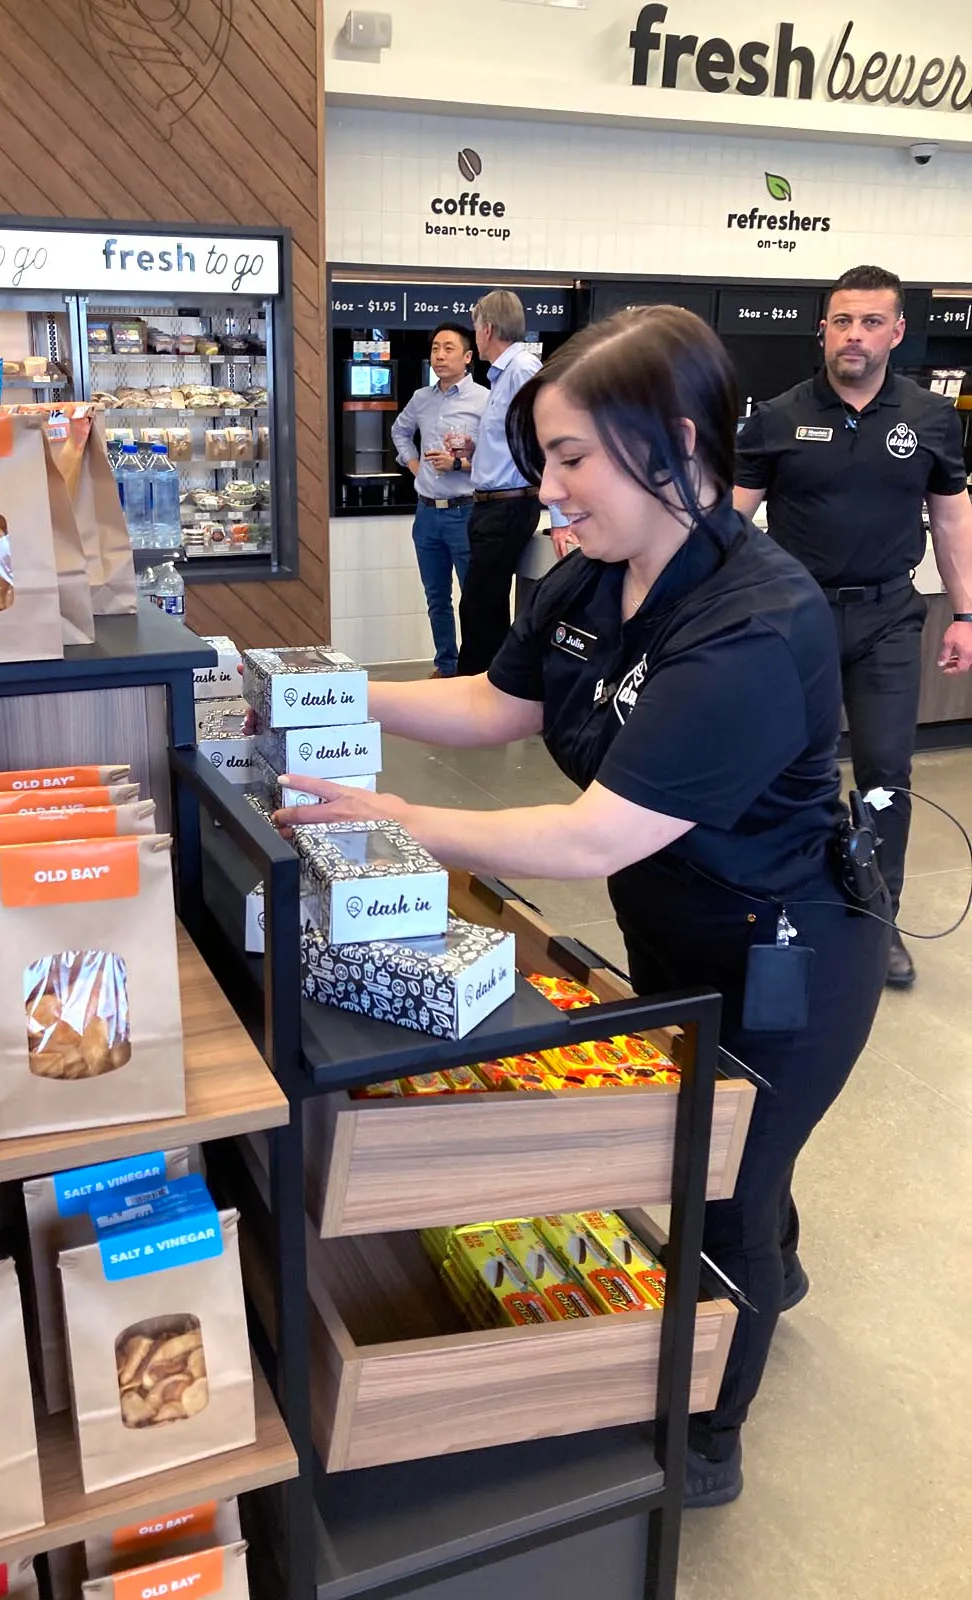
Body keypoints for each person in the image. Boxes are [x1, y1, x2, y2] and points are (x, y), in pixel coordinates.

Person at [275, 306, 889, 1508]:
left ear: (669, 443)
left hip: (789, 954)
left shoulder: (756, 621)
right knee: (724, 1150)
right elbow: (496, 705)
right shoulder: (593, 573)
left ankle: (709, 1436)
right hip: (671, 924)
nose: (548, 486)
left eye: (570, 458)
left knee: (723, 1195)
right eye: (544, 456)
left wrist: (382, 815)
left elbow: (589, 832)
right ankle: (781, 1245)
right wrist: (336, 689)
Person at [734, 264, 972, 990]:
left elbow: (952, 517)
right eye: (842, 320)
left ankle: (878, 923)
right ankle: (780, 911)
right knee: (777, 768)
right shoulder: (774, 417)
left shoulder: (930, 420)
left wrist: (966, 613)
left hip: (887, 621)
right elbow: (729, 522)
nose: (855, 335)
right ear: (823, 329)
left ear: (897, 333)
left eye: (871, 322)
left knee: (884, 775)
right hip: (792, 619)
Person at [391, 324, 488, 677]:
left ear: (467, 357)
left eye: (449, 348)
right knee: (437, 599)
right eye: (435, 348)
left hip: (466, 511)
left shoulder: (485, 400)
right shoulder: (421, 398)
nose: (440, 355)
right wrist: (415, 466)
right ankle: (445, 665)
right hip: (427, 513)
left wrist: (459, 463)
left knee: (473, 598)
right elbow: (399, 431)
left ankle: (475, 670)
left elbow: (497, 458)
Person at [455, 290, 543, 676]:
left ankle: (478, 689)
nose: (476, 335)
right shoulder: (503, 375)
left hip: (508, 506)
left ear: (487, 329)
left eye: (476, 327)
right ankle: (485, 686)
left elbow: (542, 438)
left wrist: (561, 517)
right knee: (481, 604)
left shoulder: (521, 370)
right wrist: (479, 449)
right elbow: (509, 440)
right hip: (493, 504)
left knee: (480, 604)